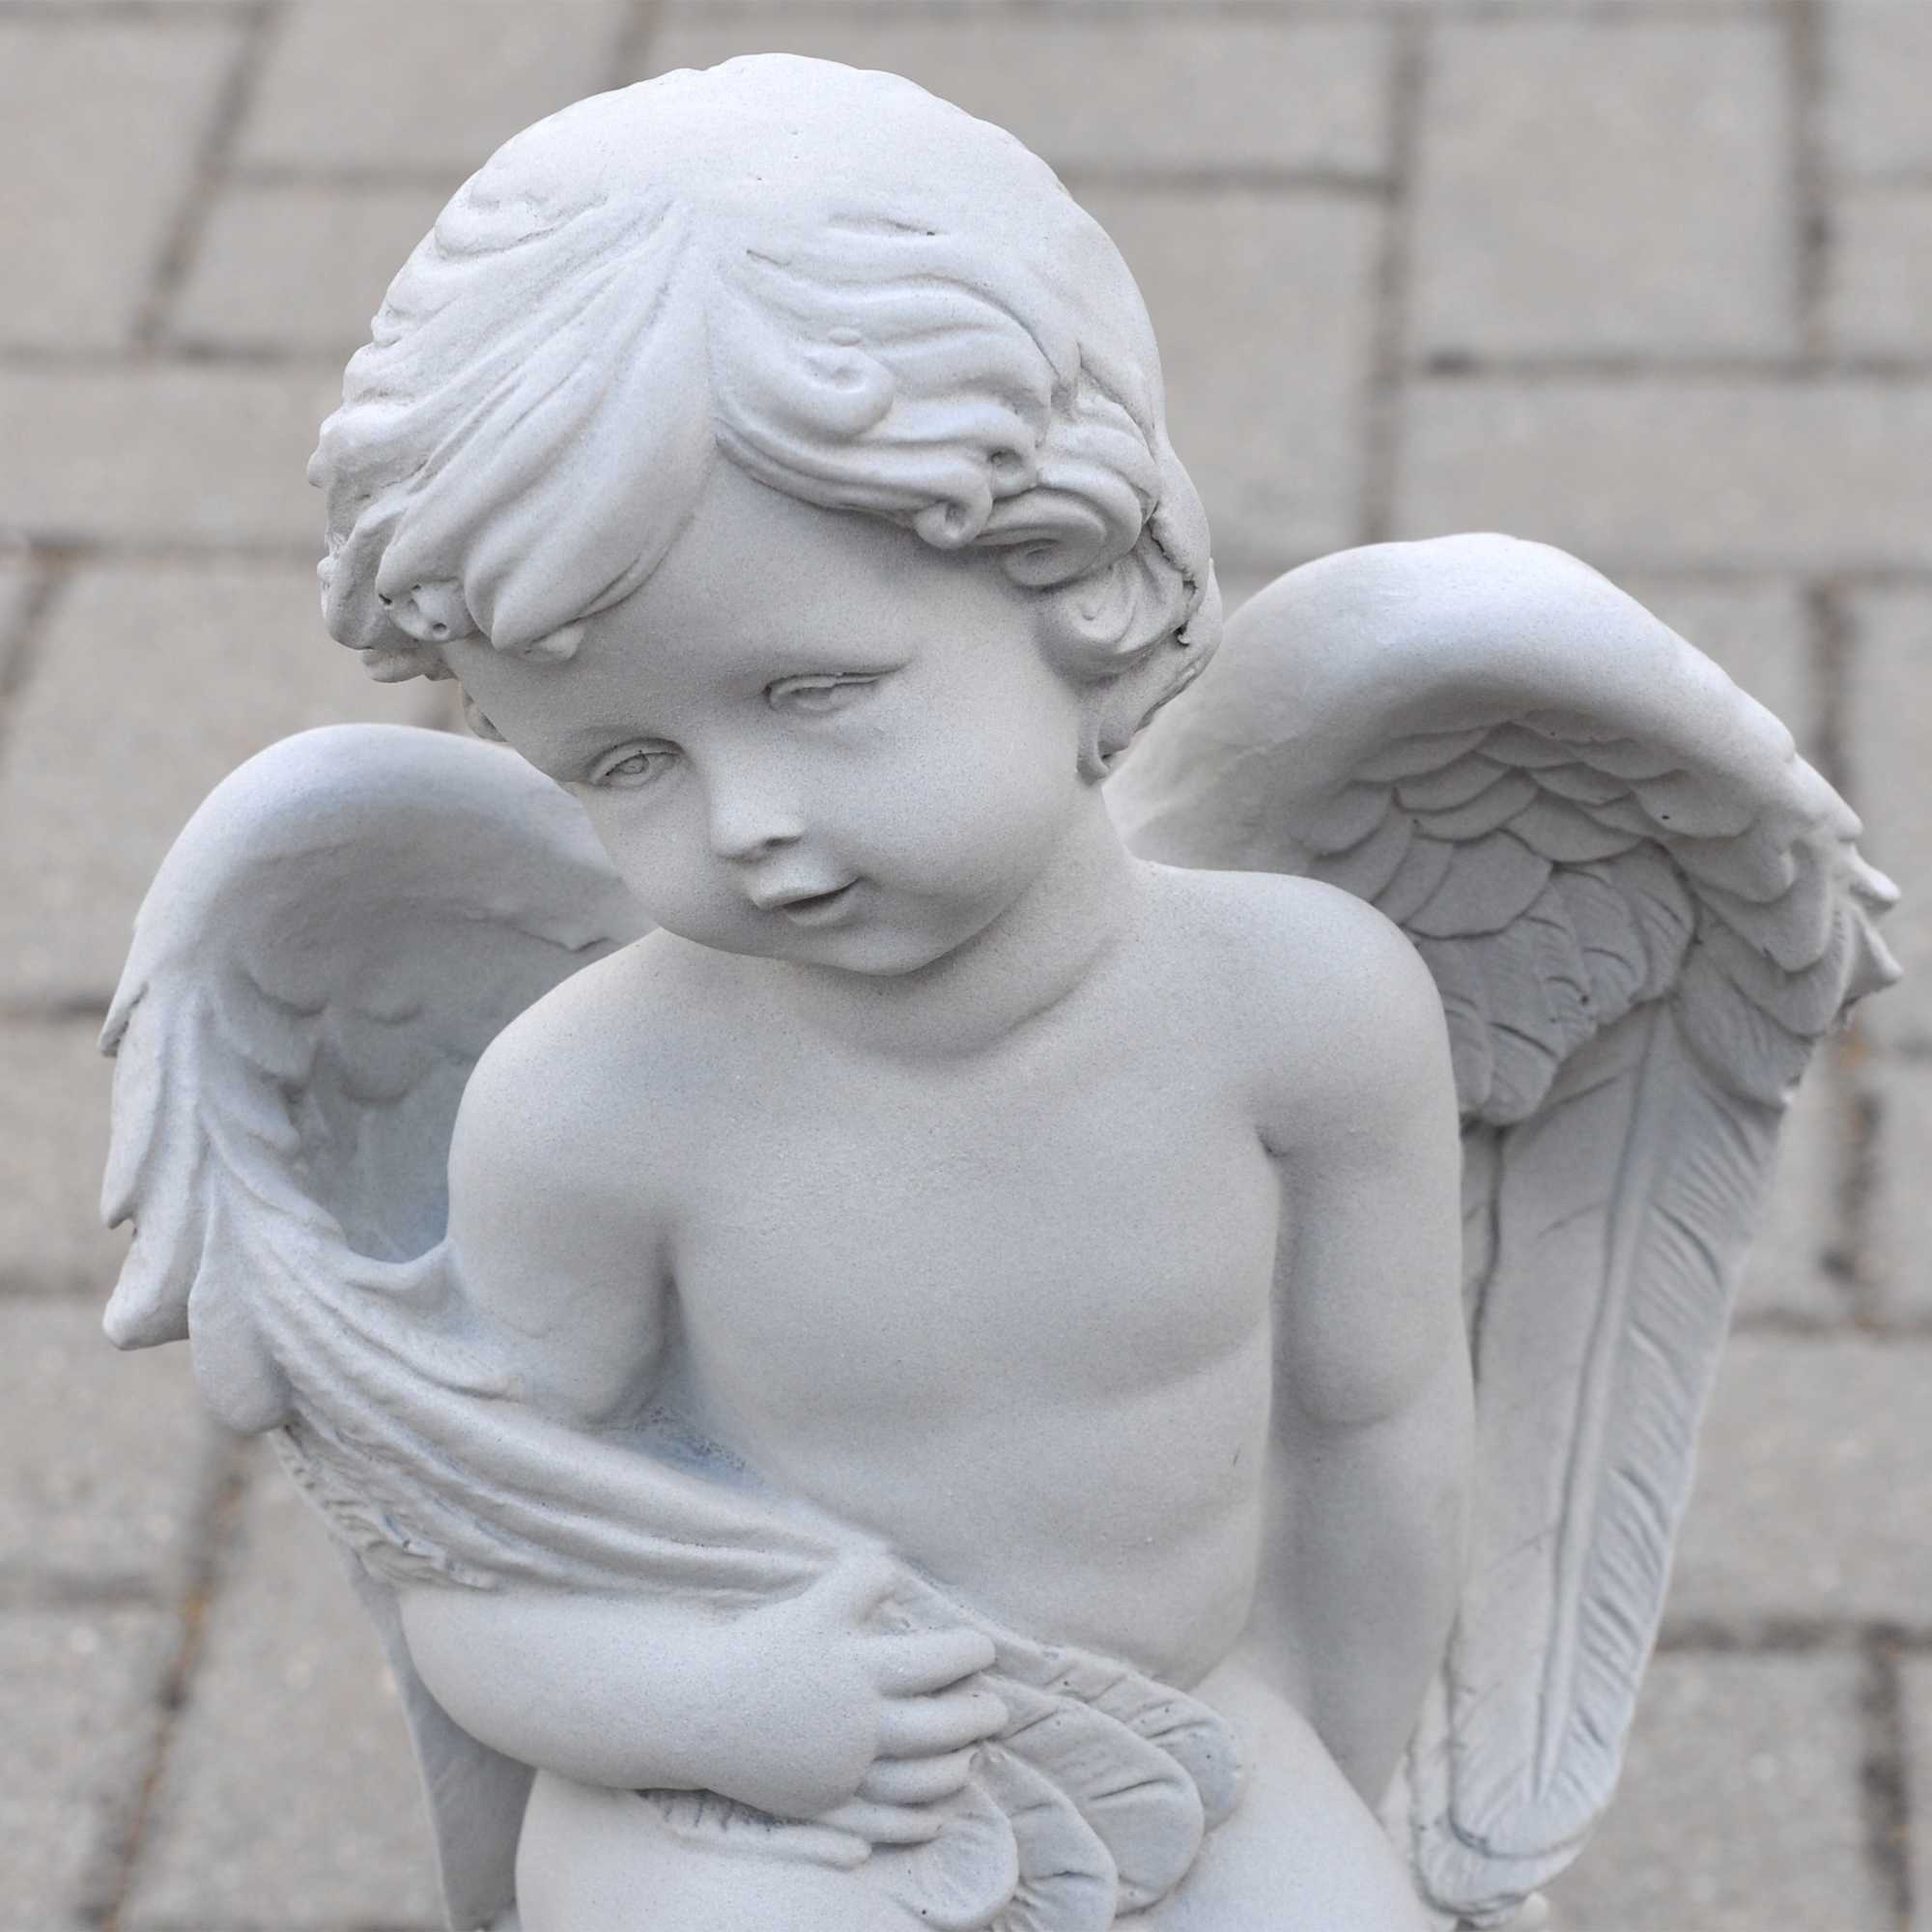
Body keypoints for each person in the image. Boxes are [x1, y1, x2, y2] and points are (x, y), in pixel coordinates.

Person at [309, 54, 1471, 1930]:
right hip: (738, 1800)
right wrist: (721, 1711)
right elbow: (474, 1570)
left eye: (813, 693)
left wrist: (1345, 1787)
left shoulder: (1309, 1014)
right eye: (623, 765)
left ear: (1078, 579)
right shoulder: (591, 1109)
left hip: (1184, 1732)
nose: (744, 825)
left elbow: (1379, 1443)